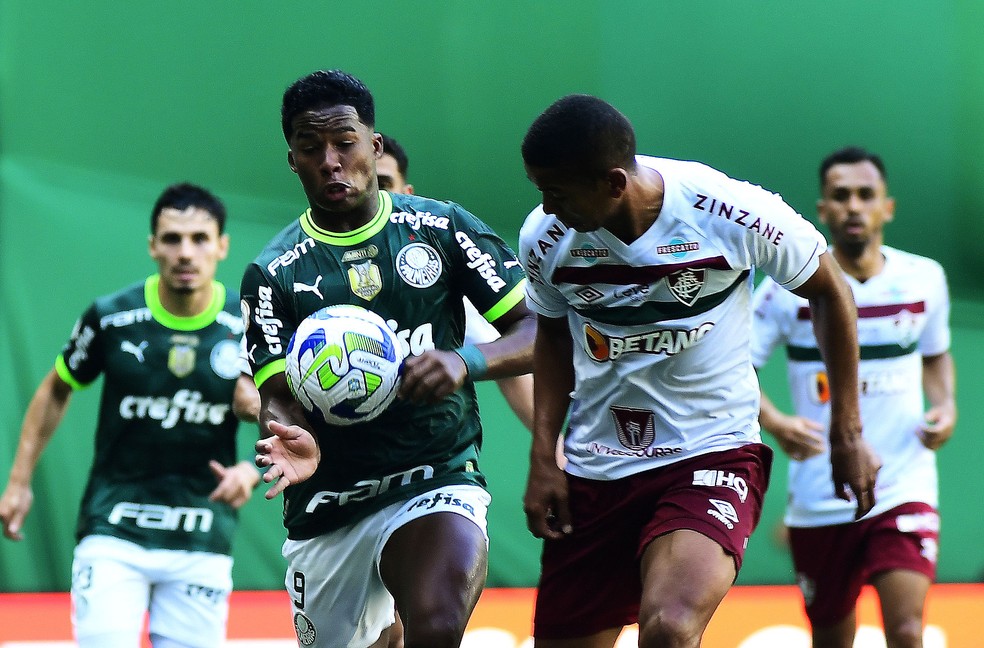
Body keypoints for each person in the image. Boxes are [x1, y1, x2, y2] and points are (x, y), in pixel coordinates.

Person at [517, 95, 880, 648]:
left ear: (613, 184)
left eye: (557, 192)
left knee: (670, 626)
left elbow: (830, 292)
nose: (545, 207)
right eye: (539, 189)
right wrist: (545, 455)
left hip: (710, 448)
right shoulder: (545, 240)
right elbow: (549, 336)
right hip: (598, 465)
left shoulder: (728, 211)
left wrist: (846, 431)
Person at [241, 69, 535, 648]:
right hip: (330, 503)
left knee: (436, 620)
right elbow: (275, 390)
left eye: (344, 143)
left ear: (373, 147)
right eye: (310, 147)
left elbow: (541, 332)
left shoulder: (442, 229)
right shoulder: (273, 273)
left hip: (435, 475)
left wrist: (466, 361)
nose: (330, 160)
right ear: (292, 160)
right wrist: (287, 430)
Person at [0, 183, 261, 648]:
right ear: (152, 246)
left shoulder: (249, 326)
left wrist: (251, 471)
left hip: (201, 532)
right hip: (113, 527)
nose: (185, 253)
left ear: (222, 245)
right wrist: (19, 482)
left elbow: (289, 415)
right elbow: (56, 388)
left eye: (200, 238)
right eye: (172, 239)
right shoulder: (111, 318)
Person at [751, 146, 956, 648]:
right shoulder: (785, 291)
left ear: (888, 207)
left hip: (904, 480)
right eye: (841, 197)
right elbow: (736, 367)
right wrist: (776, 421)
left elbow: (935, 356)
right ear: (822, 210)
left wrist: (946, 406)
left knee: (907, 629)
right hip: (821, 494)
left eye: (866, 196)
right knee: (831, 637)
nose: (853, 207)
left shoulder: (925, 278)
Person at [378, 132, 536, 432]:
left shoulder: (441, 275)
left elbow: (515, 358)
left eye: (385, 185)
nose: (376, 196)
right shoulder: (303, 271)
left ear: (408, 193)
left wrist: (552, 455)